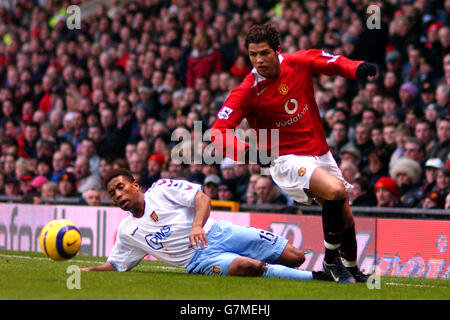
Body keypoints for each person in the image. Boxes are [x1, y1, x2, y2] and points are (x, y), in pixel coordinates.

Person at [211, 23, 377, 283]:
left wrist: (356, 68)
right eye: (253, 55)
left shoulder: (297, 62)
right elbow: (217, 132)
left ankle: (351, 269)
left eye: (264, 53)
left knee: (343, 212)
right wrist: (249, 152)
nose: (258, 60)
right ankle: (331, 261)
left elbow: (331, 62)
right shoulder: (247, 90)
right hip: (284, 159)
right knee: (335, 191)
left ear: (278, 50)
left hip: (319, 151)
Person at [80, 168, 331, 283]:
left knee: (295, 256)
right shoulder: (127, 232)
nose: (118, 195)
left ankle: (282, 274)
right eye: (112, 194)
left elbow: (201, 197)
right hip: (198, 262)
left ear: (135, 185)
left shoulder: (162, 189)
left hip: (219, 233)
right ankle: (319, 279)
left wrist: (197, 226)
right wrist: (87, 272)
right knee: (249, 266)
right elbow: (114, 265)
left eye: (121, 187)